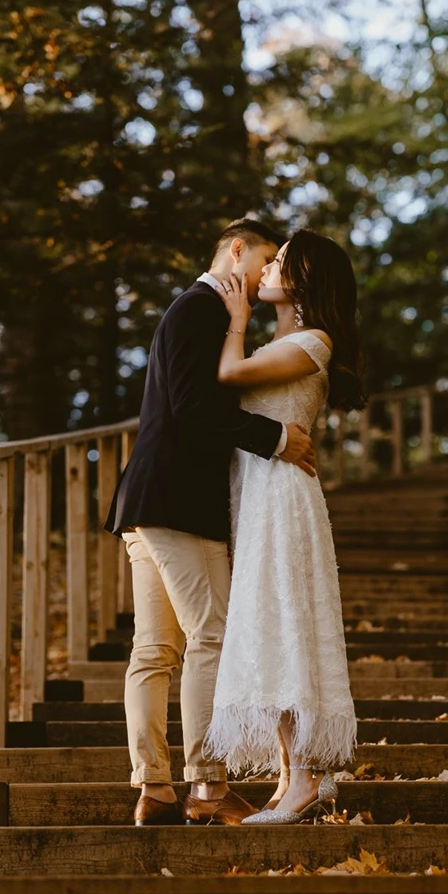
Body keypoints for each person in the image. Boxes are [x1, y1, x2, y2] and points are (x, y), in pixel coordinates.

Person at [103, 218, 316, 826]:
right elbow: (193, 408)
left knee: (154, 649)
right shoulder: (200, 309)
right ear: (238, 251)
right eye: (267, 259)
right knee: (212, 636)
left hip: (146, 501)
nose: (267, 274)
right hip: (177, 503)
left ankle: (154, 789)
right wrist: (275, 438)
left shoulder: (196, 311)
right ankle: (206, 786)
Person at [204, 228, 363, 825]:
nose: (266, 270)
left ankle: (302, 778)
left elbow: (227, 374)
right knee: (274, 628)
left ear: (303, 280)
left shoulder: (312, 340)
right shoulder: (290, 337)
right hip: (258, 495)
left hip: (282, 499)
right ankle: (293, 777)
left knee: (286, 625)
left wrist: (236, 315)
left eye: (280, 265)